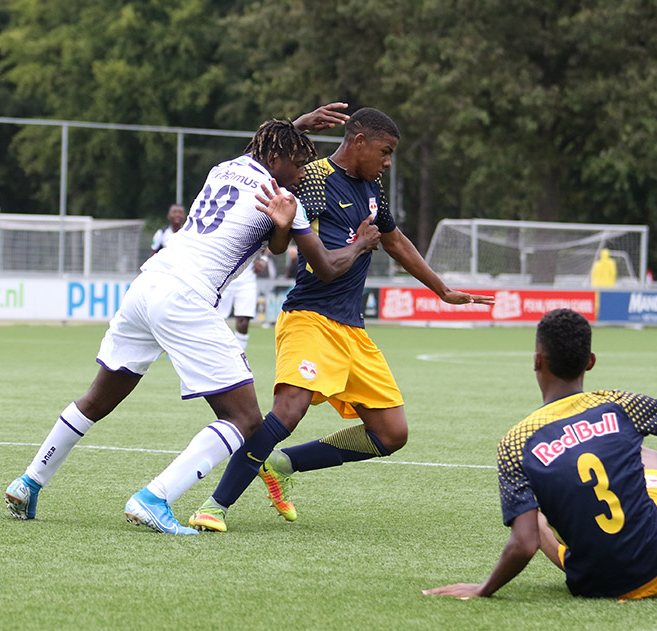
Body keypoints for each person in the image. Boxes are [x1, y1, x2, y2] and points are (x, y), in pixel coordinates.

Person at [4, 104, 381, 534]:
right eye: (297, 164)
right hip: (185, 297)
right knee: (245, 420)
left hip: (146, 286)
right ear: (279, 158)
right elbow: (329, 267)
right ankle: (155, 497)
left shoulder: (226, 168)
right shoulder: (285, 198)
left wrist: (294, 127)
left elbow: (267, 163)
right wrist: (362, 243)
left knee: (97, 398)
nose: (301, 173)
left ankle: (30, 480)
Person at [189, 106, 495, 531]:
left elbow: (396, 241)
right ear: (358, 142)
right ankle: (214, 506)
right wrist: (293, 127)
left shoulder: (373, 190)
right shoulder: (312, 177)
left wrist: (442, 290)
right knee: (289, 410)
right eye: (385, 152)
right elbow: (272, 174)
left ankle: (281, 464)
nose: (388, 162)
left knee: (391, 433)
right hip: (310, 318)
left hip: (352, 329)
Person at [424, 309, 657, 600]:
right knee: (648, 456)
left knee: (536, 516)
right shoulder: (618, 404)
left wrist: (485, 589)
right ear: (590, 362)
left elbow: (524, 543)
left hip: (593, 586)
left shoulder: (515, 442)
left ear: (537, 360)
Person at [216, 254, 269, 351]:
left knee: (243, 322)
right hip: (223, 276)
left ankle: (239, 356)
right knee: (217, 319)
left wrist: (264, 259)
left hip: (247, 279)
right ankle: (216, 353)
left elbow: (270, 243)